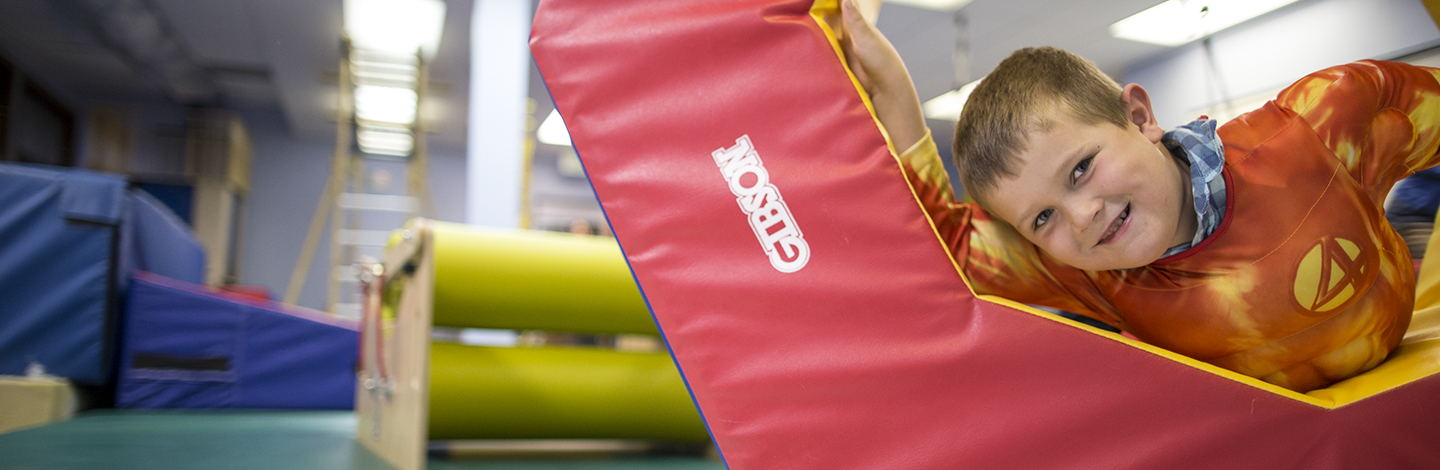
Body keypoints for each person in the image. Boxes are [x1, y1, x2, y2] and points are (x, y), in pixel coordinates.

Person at [836, 0, 1440, 392]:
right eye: (1042, 217)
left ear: (1139, 114)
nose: (1082, 217)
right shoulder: (1079, 270)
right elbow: (946, 245)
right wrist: (886, 84)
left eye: (1080, 169)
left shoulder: (1322, 124)